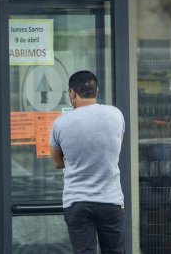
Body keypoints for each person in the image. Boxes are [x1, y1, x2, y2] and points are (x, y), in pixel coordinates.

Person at [49, 70, 125, 254]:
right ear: (96, 91)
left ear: (72, 93)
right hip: (110, 199)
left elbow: (57, 162)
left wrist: (75, 161)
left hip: (77, 201)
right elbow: (115, 150)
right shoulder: (116, 114)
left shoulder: (60, 123)